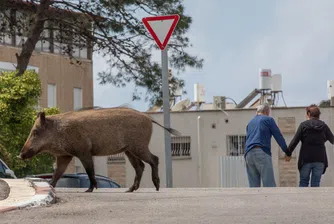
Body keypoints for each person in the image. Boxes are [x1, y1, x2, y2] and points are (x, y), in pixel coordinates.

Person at [286, 104, 334, 187]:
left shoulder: (303, 125)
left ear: (308, 114)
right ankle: (315, 200)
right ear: (319, 115)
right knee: (315, 184)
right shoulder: (323, 126)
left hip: (305, 159)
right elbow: (332, 139)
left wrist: (288, 153)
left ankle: (302, 200)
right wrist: (322, 139)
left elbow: (295, 141)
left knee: (303, 183)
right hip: (320, 158)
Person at [245, 104, 289, 187]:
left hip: (248, 154)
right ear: (267, 111)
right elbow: (278, 136)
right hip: (261, 152)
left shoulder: (250, 123)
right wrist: (287, 151)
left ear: (256, 112)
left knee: (253, 187)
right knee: (269, 186)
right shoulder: (268, 120)